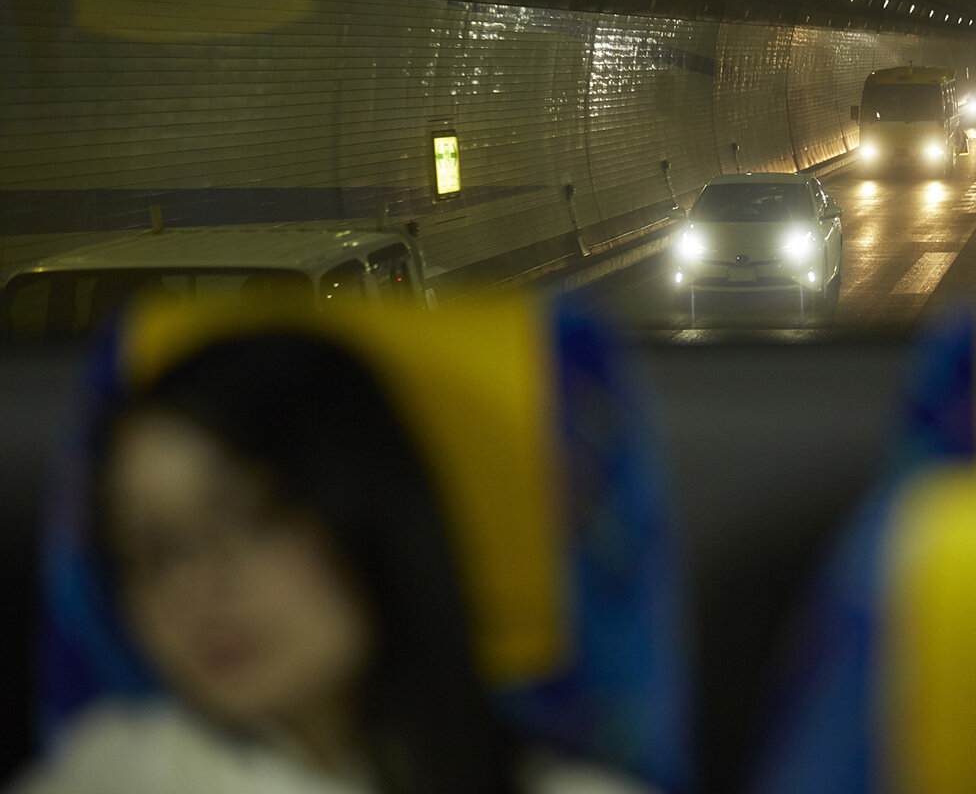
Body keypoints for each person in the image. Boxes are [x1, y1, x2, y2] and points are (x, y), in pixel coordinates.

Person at [8, 327, 651, 794]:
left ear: (364, 511)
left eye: (247, 519)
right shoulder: (114, 772)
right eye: (152, 553)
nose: (196, 589)